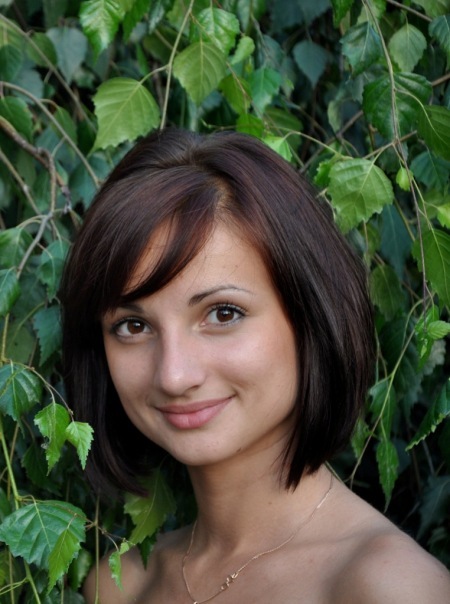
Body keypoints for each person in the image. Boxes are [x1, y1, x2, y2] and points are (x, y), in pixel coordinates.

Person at [61, 129, 450, 603]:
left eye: (223, 314)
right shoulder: (117, 587)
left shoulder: (390, 589)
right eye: (133, 326)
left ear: (310, 316)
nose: (174, 376)